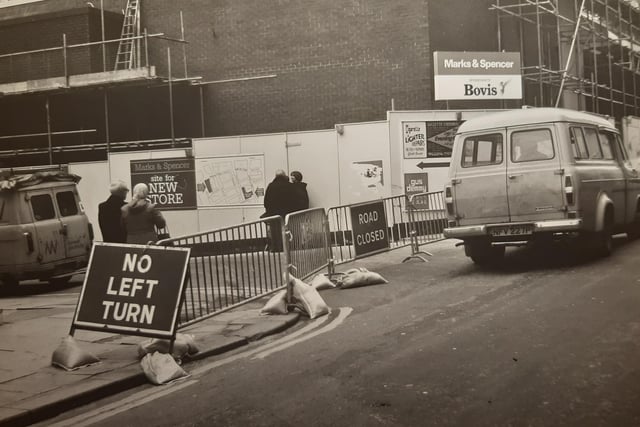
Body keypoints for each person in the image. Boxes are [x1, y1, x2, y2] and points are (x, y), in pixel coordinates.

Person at [262, 169, 296, 251]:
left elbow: (266, 201)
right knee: (287, 229)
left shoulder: (271, 186)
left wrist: (269, 210)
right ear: (284, 176)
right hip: (287, 213)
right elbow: (294, 199)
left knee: (275, 231)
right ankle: (288, 247)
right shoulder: (289, 185)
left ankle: (276, 247)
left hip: (274, 213)